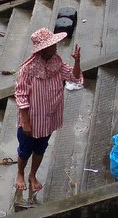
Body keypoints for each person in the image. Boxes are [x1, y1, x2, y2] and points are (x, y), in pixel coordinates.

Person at [14, 28, 82, 204]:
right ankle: (20, 173)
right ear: (42, 49)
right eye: (52, 45)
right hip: (32, 119)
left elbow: (74, 78)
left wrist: (77, 62)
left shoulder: (57, 62)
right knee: (25, 150)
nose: (55, 48)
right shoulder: (27, 69)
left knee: (41, 148)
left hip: (49, 118)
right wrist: (26, 122)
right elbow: (21, 95)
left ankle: (32, 174)